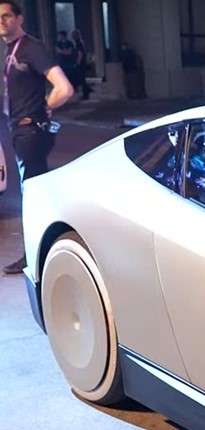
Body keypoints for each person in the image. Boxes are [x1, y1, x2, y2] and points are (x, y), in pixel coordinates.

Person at [2, 1, 75, 275]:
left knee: (31, 195)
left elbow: (64, 88)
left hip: (31, 131)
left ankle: (33, 255)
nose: (2, 21)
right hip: (21, 131)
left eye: (7, 16)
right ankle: (38, 251)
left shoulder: (31, 48)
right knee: (33, 191)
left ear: (19, 18)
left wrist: (43, 109)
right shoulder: (10, 50)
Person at [70, 29, 90, 100]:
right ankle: (86, 91)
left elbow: (80, 54)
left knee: (81, 79)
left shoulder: (79, 43)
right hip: (82, 63)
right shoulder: (80, 43)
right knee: (81, 79)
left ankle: (86, 93)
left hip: (81, 64)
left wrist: (77, 63)